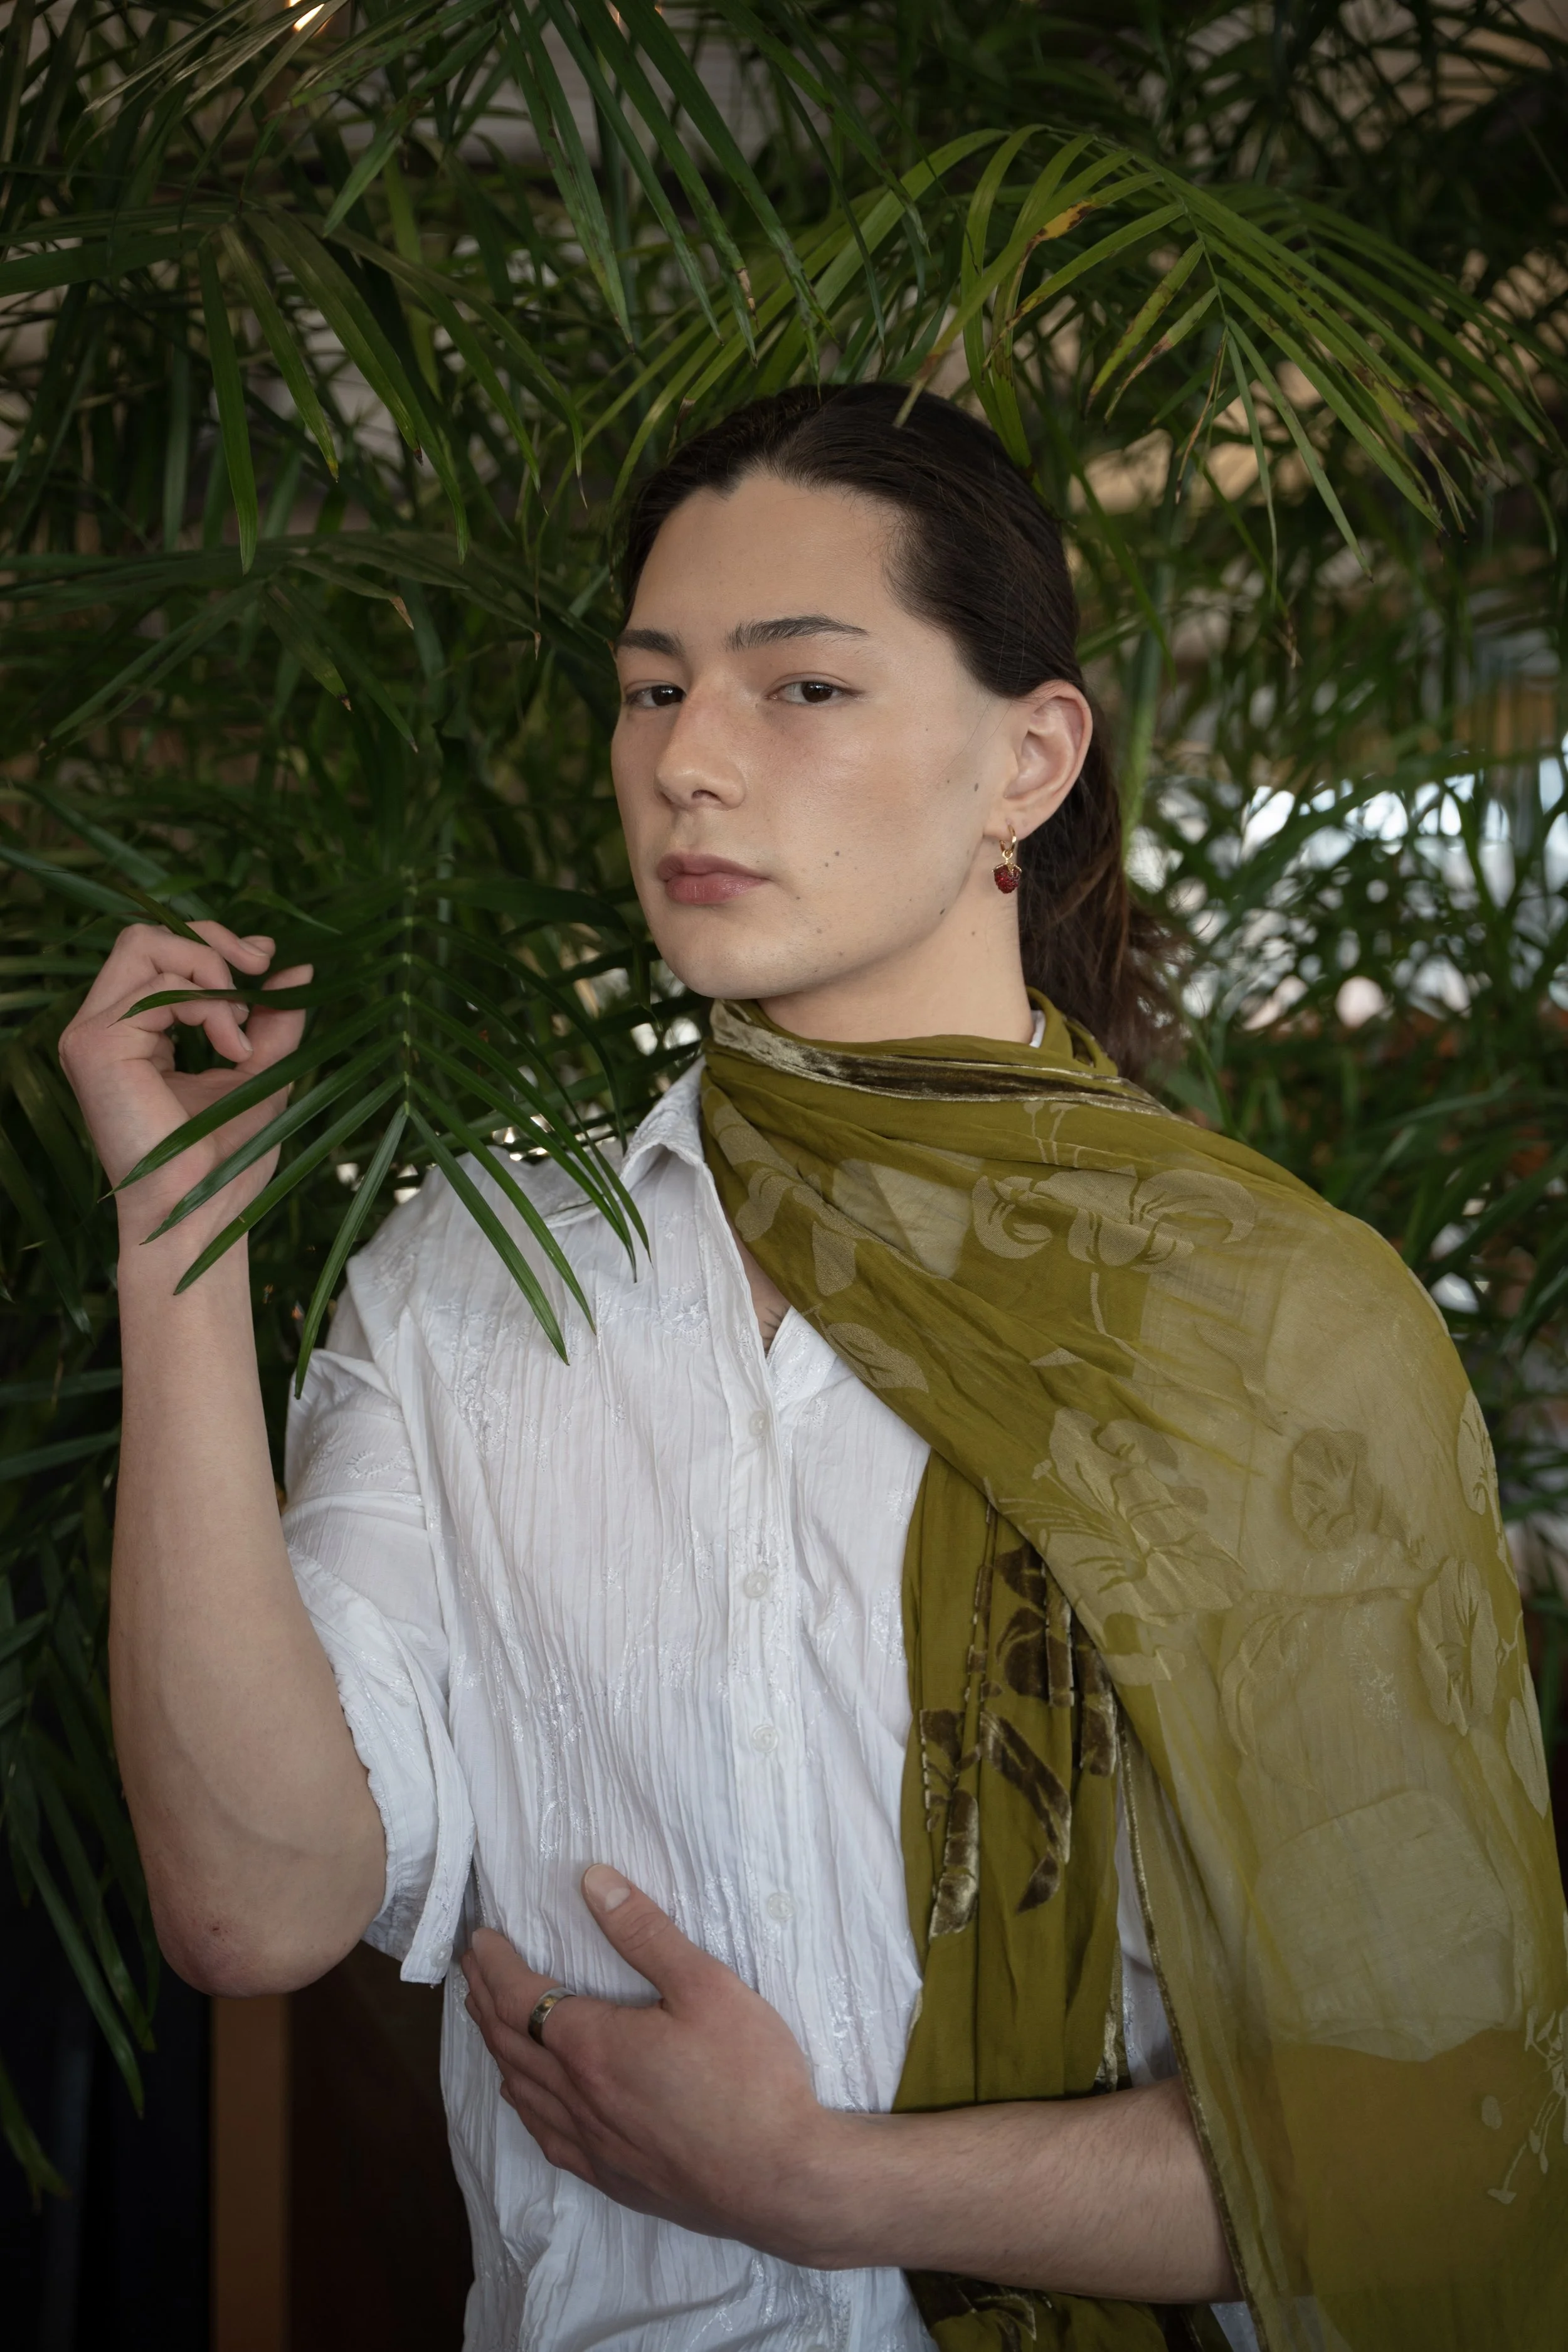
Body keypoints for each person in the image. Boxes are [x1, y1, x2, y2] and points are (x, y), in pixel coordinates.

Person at [59, 386, 1566, 2352]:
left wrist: (813, 2185)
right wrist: (183, 1223)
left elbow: (1423, 2130)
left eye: (802, 691)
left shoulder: (1265, 1318)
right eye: (648, 688)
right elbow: (253, 1909)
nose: (688, 758)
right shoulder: (476, 1278)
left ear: (1025, 757)